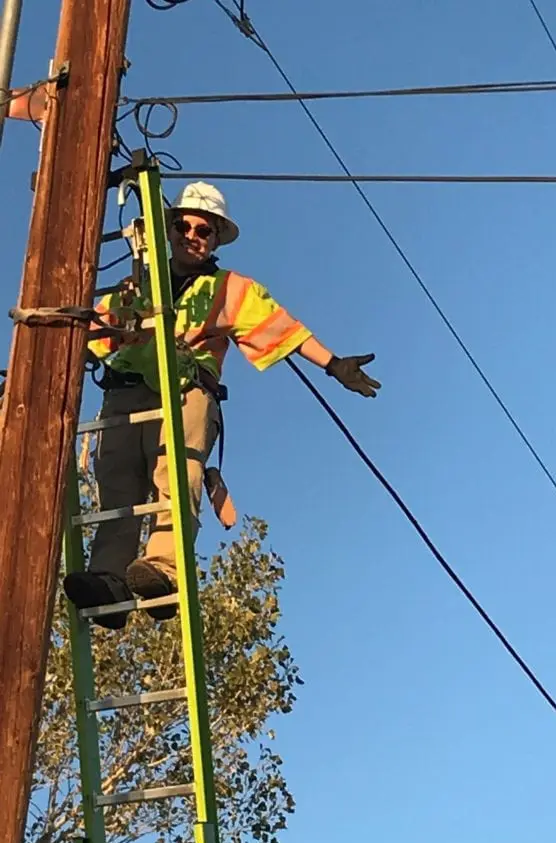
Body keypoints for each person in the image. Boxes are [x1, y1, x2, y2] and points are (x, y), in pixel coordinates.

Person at [63, 181, 380, 629]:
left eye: (203, 230)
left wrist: (332, 365)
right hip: (124, 394)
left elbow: (281, 328)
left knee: (176, 473)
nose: (192, 235)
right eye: (183, 226)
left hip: (185, 391)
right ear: (169, 230)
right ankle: (109, 580)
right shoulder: (137, 283)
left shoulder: (231, 289)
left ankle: (163, 572)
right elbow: (89, 331)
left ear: (215, 239)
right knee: (117, 484)